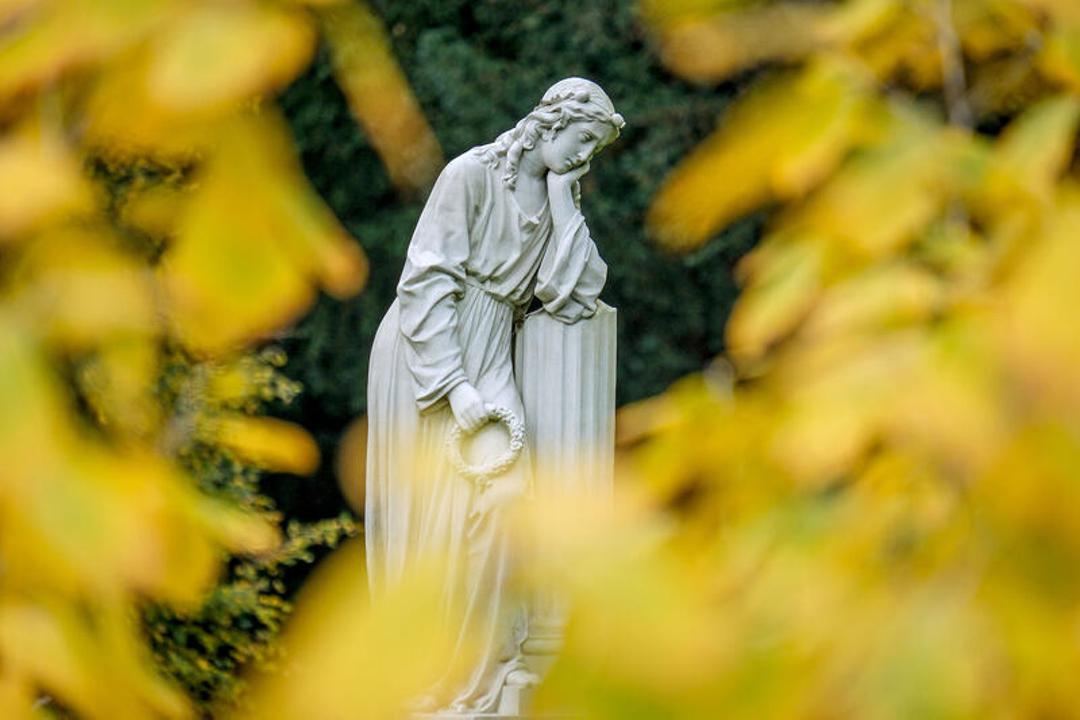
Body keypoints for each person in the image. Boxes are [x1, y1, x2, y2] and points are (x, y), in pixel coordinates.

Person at [365, 77, 624, 713]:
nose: (583, 156)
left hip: (493, 351)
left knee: (505, 501)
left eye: (594, 148)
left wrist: (565, 204)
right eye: (581, 139)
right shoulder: (472, 174)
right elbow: (424, 282)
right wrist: (452, 387)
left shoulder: (559, 193)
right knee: (431, 521)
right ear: (551, 121)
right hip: (430, 350)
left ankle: (479, 676)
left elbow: (579, 289)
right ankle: (427, 680)